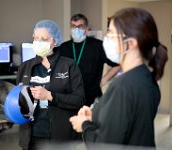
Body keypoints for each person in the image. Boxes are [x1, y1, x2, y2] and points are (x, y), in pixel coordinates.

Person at [69, 8, 168, 147]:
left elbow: (104, 145)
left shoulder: (122, 86)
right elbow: (128, 120)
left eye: (111, 34)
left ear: (131, 44)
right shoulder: (148, 78)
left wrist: (84, 125)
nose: (107, 38)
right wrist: (95, 115)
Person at [16, 19, 85, 150]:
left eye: (44, 39)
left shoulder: (69, 65)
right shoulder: (25, 67)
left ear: (55, 41)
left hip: (61, 136)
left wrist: (50, 96)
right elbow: (19, 99)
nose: (38, 42)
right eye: (36, 38)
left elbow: (79, 100)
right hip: (32, 136)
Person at [59, 13, 120, 106]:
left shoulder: (98, 46)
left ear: (86, 29)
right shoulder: (63, 47)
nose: (76, 29)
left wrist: (103, 81)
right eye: (73, 26)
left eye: (80, 26)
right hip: (69, 98)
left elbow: (118, 65)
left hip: (92, 98)